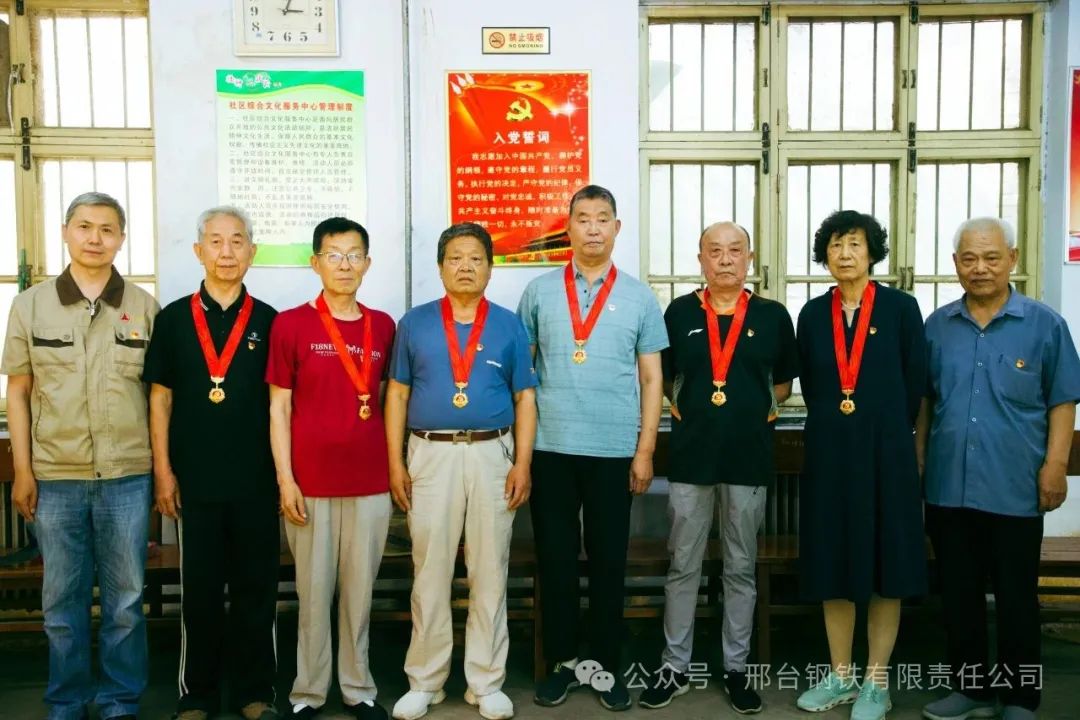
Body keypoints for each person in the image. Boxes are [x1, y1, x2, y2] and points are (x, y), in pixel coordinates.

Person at [2, 192, 159, 720]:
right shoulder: (31, 306)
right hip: (55, 477)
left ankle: (119, 701)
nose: (96, 238)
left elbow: (159, 399)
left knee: (125, 603)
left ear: (122, 238)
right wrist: (23, 471)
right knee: (61, 604)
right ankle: (67, 701)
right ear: (66, 232)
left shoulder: (143, 307)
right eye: (85, 226)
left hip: (127, 478)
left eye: (107, 229)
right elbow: (18, 392)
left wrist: (161, 473)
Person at [918, 218, 1080, 720]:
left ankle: (1019, 697)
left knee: (1016, 598)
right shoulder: (937, 326)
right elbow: (926, 401)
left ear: (1012, 258)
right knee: (959, 596)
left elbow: (1062, 400)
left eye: (991, 257)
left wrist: (1055, 465)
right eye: (969, 259)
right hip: (948, 486)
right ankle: (970, 690)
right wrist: (919, 460)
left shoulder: (1044, 325)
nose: (980, 268)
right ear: (955, 265)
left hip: (1015, 485)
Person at [518, 184, 669, 711]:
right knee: (557, 560)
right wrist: (522, 453)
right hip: (551, 448)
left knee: (608, 563)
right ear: (569, 228)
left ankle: (605, 665)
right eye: (583, 218)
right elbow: (523, 377)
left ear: (616, 228)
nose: (593, 228)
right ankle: (561, 663)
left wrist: (644, 450)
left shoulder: (639, 297)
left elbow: (652, 379)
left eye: (603, 218)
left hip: (613, 451)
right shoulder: (538, 292)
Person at [639, 222, 798, 714]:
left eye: (735, 251)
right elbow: (663, 378)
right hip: (692, 458)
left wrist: (748, 410)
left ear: (749, 258)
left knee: (740, 567)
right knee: (683, 564)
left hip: (748, 459)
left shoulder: (772, 316)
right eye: (715, 251)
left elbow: (782, 385)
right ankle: (674, 667)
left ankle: (735, 668)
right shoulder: (679, 312)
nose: (725, 260)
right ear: (701, 259)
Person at [385, 223, 537, 720]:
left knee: (490, 569)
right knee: (429, 569)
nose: (465, 266)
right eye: (455, 257)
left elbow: (525, 398)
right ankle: (425, 680)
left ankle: (485, 681)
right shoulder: (415, 323)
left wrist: (523, 463)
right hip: (431, 454)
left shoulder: (509, 325)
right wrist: (395, 463)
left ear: (490, 268)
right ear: (440, 267)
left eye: (475, 258)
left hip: (493, 454)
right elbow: (398, 394)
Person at [143, 206, 280, 720]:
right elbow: (160, 399)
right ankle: (196, 693)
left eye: (237, 241)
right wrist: (163, 471)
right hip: (194, 482)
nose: (227, 252)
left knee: (255, 591)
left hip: (256, 482)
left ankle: (255, 692)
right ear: (199, 250)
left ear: (252, 252)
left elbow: (281, 406)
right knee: (199, 592)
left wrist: (284, 478)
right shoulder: (174, 319)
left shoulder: (270, 321)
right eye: (216, 242)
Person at [794, 210, 927, 720]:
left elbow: (915, 381)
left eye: (854, 244)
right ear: (823, 255)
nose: (844, 254)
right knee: (833, 561)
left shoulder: (900, 308)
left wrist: (884, 426)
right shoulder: (812, 314)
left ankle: (877, 681)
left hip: (887, 454)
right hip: (830, 454)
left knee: (886, 565)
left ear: (872, 252)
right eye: (835, 245)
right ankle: (841, 674)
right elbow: (812, 383)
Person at [266, 218, 396, 720]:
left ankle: (358, 688)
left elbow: (385, 400)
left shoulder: (383, 325)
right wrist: (286, 480)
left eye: (354, 254)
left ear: (368, 263)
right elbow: (279, 407)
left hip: (370, 483)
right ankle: (308, 692)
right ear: (315, 262)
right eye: (334, 255)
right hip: (310, 485)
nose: (345, 265)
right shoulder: (291, 324)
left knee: (359, 595)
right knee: (313, 593)